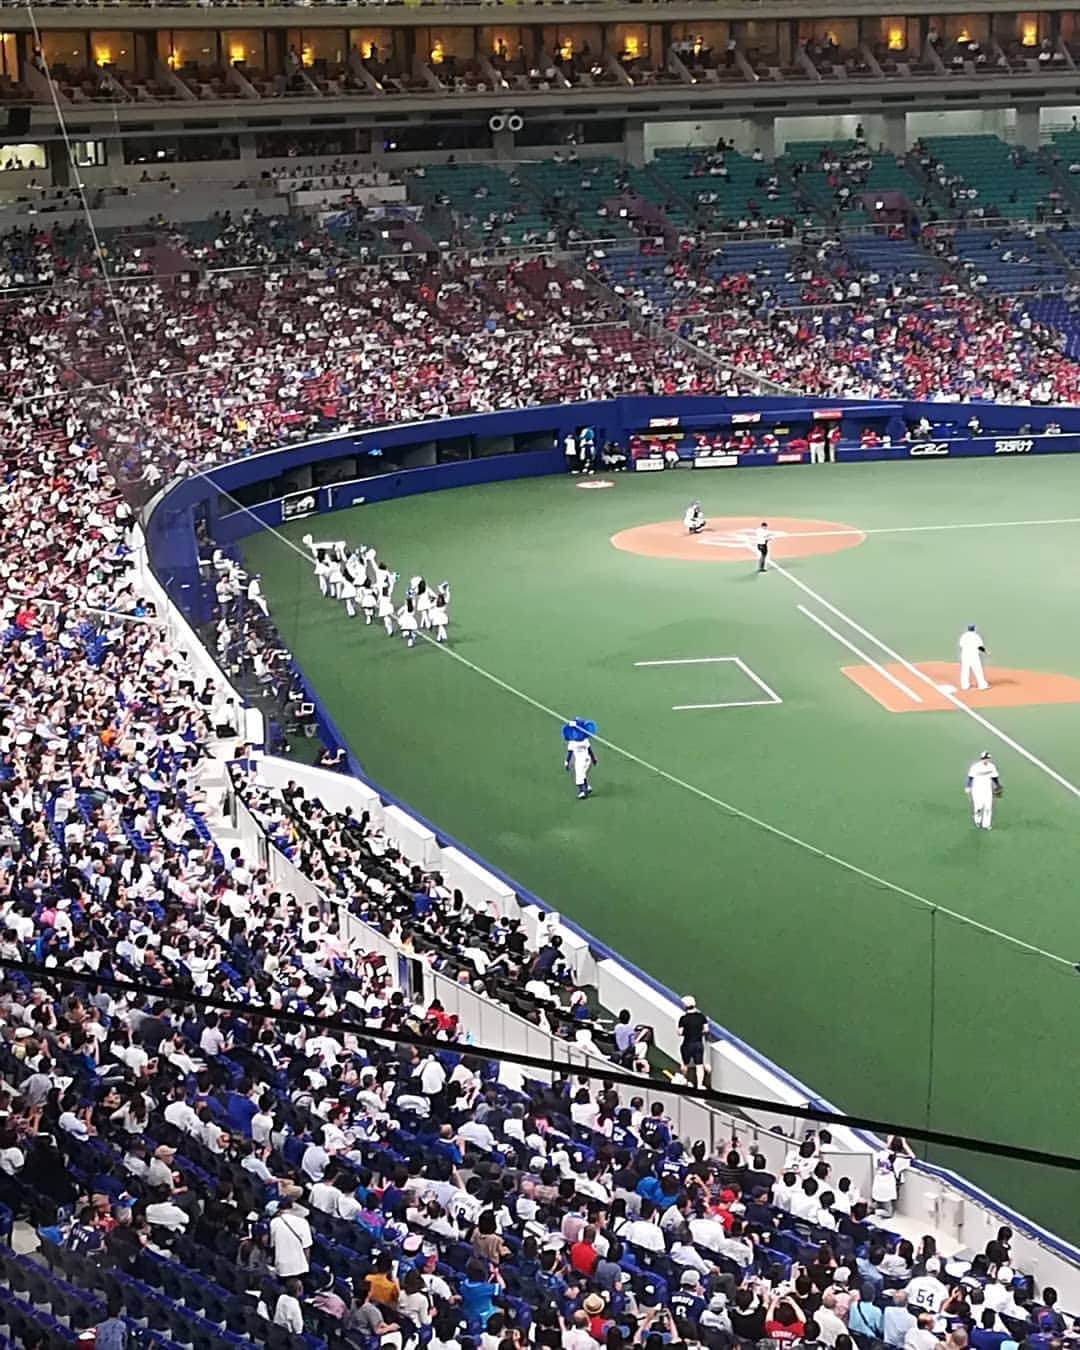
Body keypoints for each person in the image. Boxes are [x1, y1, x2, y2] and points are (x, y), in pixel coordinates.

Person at [965, 751, 1001, 831]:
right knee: (979, 808)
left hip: (987, 790)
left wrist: (998, 786)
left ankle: (986, 824)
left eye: (988, 758)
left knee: (988, 808)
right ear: (982, 759)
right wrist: (968, 786)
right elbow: (970, 777)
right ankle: (977, 820)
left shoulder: (992, 766)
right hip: (977, 790)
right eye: (985, 758)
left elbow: (995, 777)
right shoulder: (975, 767)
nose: (986, 760)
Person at [677, 995, 707, 1088]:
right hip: (698, 1043)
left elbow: (680, 1032)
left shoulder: (683, 1018)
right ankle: (699, 1084)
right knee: (699, 1065)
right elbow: (706, 1030)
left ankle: (683, 1080)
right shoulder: (701, 1017)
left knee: (685, 1064)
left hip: (687, 1043)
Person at [958, 624, 989, 691]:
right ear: (974, 629)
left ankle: (965, 685)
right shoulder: (976, 636)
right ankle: (982, 685)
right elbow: (980, 647)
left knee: (965, 670)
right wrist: (986, 652)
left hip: (965, 655)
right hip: (974, 655)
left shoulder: (964, 636)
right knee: (978, 670)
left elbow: (961, 645)